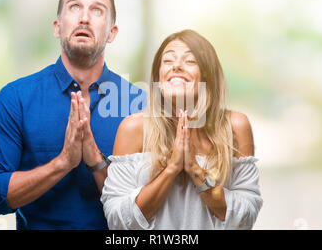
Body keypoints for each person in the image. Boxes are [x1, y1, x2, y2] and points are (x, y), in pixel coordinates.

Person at [0, 0, 145, 230]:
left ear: (112, 33)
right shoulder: (15, 99)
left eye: (97, 10)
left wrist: (96, 161)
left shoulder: (139, 106)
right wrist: (62, 163)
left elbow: (151, 208)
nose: (84, 18)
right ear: (57, 26)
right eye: (74, 7)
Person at [101, 29, 263, 230]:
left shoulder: (235, 126)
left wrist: (195, 171)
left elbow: (245, 218)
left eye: (190, 61)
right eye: (168, 61)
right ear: (158, 77)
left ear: (208, 74)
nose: (176, 66)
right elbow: (117, 220)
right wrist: (171, 169)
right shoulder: (133, 128)